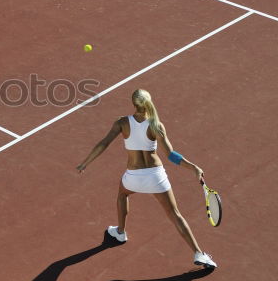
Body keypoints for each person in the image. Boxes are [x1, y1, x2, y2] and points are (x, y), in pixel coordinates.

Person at [76, 88, 216, 268]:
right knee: (175, 215)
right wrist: (193, 167)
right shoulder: (156, 125)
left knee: (122, 195)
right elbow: (171, 155)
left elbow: (104, 143)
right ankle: (199, 253)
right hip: (155, 178)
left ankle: (120, 232)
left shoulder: (122, 122)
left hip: (133, 177)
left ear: (133, 104)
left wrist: (85, 163)